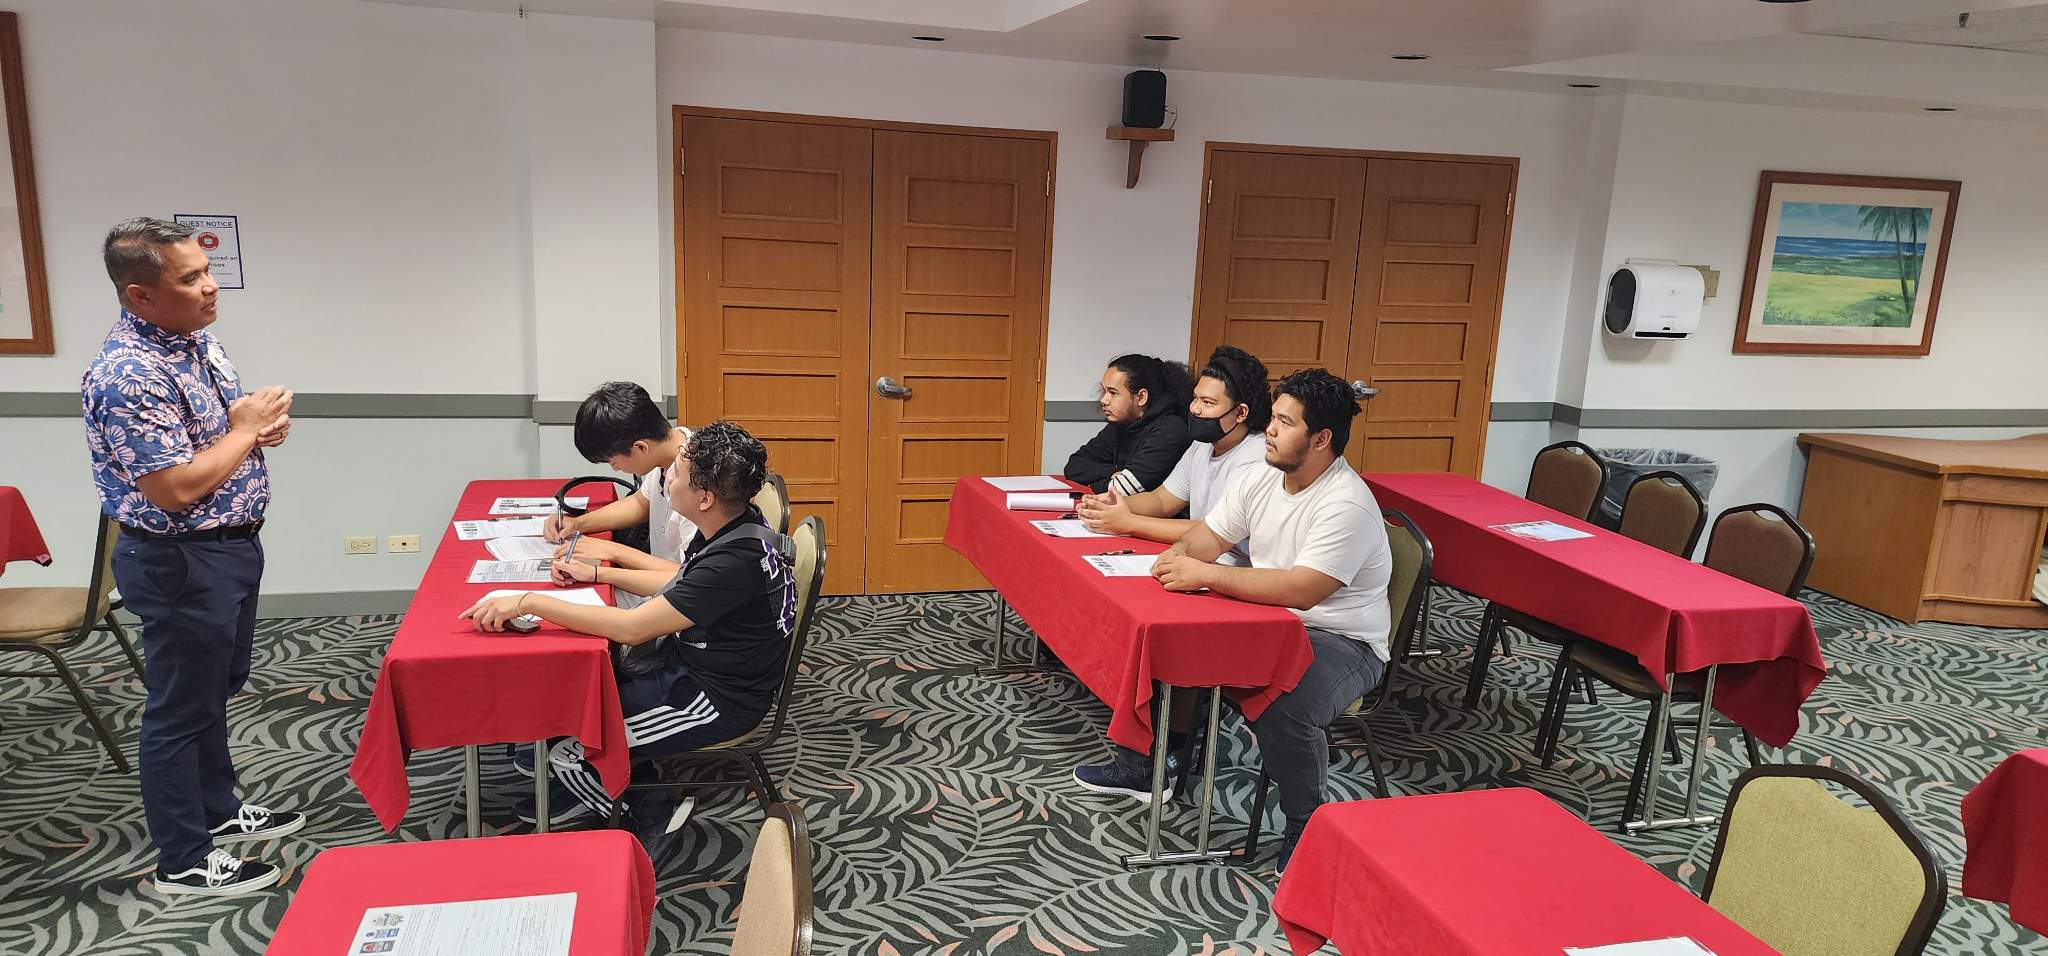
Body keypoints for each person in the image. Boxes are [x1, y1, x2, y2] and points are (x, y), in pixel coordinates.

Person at [1077, 369, 1391, 873]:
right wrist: (1181, 556)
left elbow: (1303, 589)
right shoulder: (1262, 475)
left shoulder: (1346, 503)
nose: (1270, 430)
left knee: (1286, 707)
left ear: (1321, 439)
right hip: (1265, 617)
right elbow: (1211, 537)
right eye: (1274, 418)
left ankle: (1307, 825)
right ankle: (1141, 768)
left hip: (1341, 638)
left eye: (1285, 423)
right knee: (1168, 636)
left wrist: (1206, 574)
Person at [82, 218, 303, 897]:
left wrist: (257, 432)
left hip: (229, 548)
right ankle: (182, 858)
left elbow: (217, 440)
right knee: (179, 709)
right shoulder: (127, 374)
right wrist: (245, 431)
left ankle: (217, 807)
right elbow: (174, 488)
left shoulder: (197, 344)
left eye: (207, 272)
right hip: (180, 559)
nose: (210, 288)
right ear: (140, 294)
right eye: (190, 279)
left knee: (214, 689)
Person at [461, 421, 796, 844]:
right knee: (574, 699)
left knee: (573, 747)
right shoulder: (737, 524)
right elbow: (680, 583)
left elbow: (633, 629)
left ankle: (650, 815)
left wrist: (529, 602)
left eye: (677, 474)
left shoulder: (731, 563)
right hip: (694, 666)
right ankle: (634, 777)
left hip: (714, 700)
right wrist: (600, 573)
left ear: (705, 498)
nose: (666, 479)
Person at [1075, 345, 1271, 564]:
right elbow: (1161, 500)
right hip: (1195, 557)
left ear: (1241, 412)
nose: (1195, 409)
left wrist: (1128, 522)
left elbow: (1212, 531)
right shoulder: (1202, 446)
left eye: (1208, 403)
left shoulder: (1256, 457)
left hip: (1232, 568)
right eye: (1195, 398)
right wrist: (1110, 504)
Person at [543, 382, 693, 597]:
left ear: (640, 447)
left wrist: (612, 551)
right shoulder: (667, 452)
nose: (615, 469)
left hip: (679, 597)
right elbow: (641, 502)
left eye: (613, 462)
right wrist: (578, 524)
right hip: (658, 586)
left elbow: (691, 576)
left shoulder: (696, 483)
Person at [1063, 354, 1193, 496]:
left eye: (1113, 393)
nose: (1104, 400)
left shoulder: (1170, 431)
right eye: (1104, 391)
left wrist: (1097, 481)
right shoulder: (1121, 424)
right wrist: (1111, 473)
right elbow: (1073, 465)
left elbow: (1121, 490)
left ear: (1141, 397)